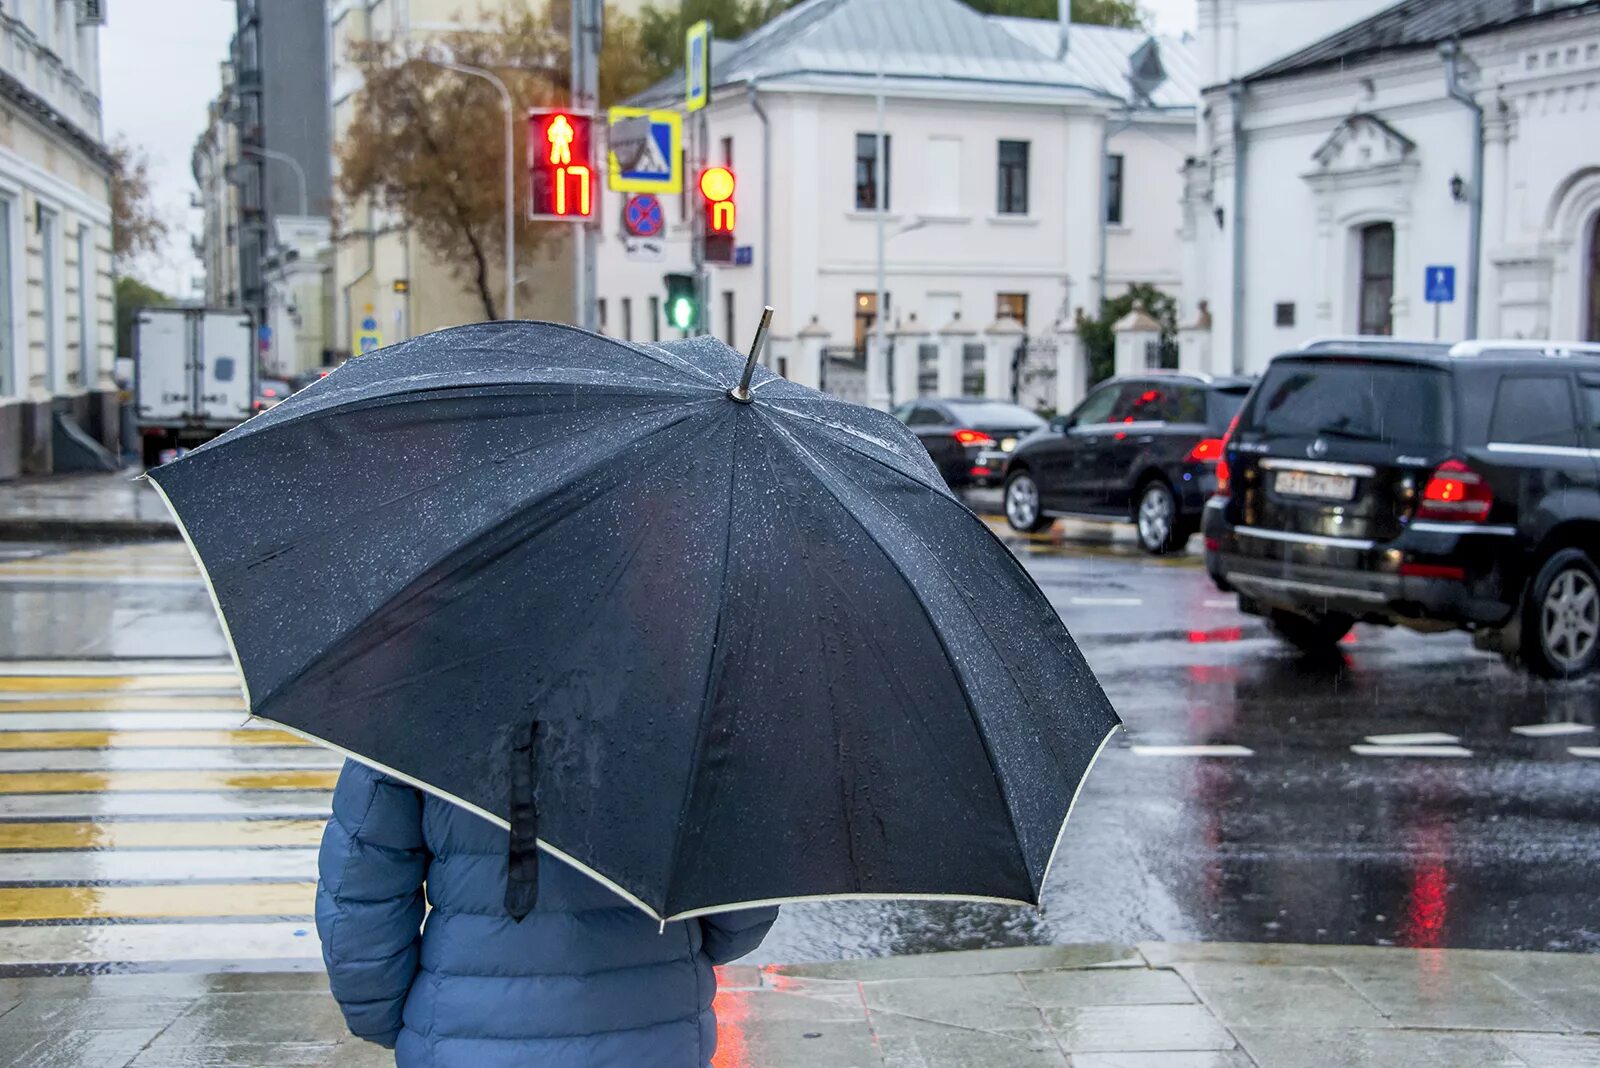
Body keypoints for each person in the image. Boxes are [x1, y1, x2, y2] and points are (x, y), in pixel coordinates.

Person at [316, 759, 779, 1067]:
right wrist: (692, 950)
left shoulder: (415, 689)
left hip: (468, 1034)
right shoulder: (682, 684)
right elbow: (740, 906)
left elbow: (359, 905)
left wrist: (391, 1019)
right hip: (652, 1031)